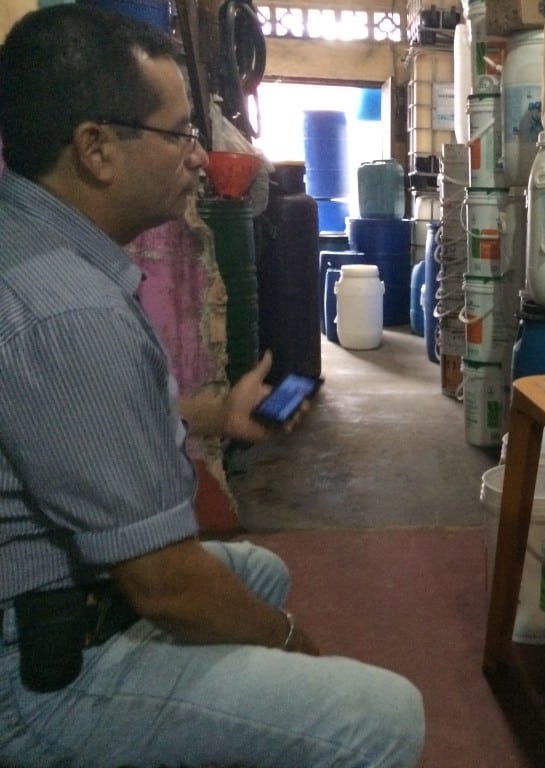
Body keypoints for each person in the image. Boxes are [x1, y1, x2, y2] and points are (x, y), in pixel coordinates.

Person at [0, 6, 424, 767]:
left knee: (260, 571)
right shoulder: (67, 312)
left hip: (54, 595)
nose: (199, 156)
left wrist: (211, 414)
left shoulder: (31, 242)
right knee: (380, 715)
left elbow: (78, 426)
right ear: (95, 148)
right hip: (32, 677)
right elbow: (164, 583)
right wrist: (295, 647)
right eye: (179, 132)